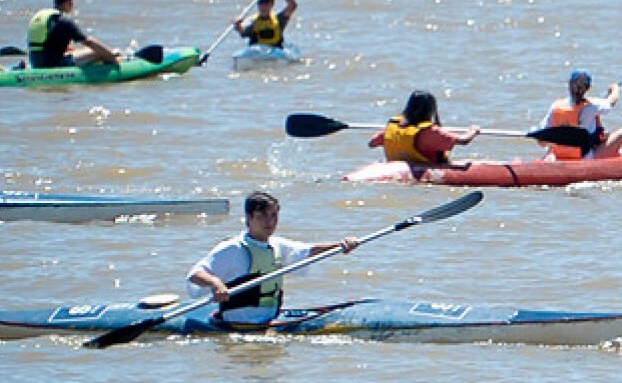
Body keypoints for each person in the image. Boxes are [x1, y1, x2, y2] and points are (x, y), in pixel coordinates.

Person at [187, 191, 358, 326]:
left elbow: (307, 251)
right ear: (248, 218)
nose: (269, 223)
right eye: (262, 217)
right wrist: (215, 284)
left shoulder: (277, 245)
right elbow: (195, 274)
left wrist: (341, 246)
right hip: (239, 324)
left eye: (273, 216)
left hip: (269, 320)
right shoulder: (233, 248)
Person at [540, 70, 622, 160]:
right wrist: (615, 89)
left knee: (604, 136)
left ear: (569, 84)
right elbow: (611, 101)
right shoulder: (592, 106)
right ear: (588, 88)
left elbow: (542, 141)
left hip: (560, 158)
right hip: (586, 158)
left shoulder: (556, 107)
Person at [367, 90, 480, 164]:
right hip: (424, 169)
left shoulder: (393, 126)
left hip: (396, 167)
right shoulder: (430, 131)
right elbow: (464, 141)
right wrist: (473, 130)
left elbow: (372, 144)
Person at [27, 0, 121, 68]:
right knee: (98, 52)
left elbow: (49, 45)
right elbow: (89, 42)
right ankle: (112, 63)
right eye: (71, 3)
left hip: (35, 63)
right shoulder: (64, 22)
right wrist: (111, 55)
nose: (72, 6)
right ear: (67, 3)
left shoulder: (44, 16)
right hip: (52, 64)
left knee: (81, 51)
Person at [233, 0, 297, 48]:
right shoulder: (252, 21)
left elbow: (292, 5)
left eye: (266, 2)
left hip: (276, 52)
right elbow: (243, 31)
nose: (263, 6)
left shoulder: (279, 18)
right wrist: (237, 25)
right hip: (257, 53)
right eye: (261, 2)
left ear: (272, 4)